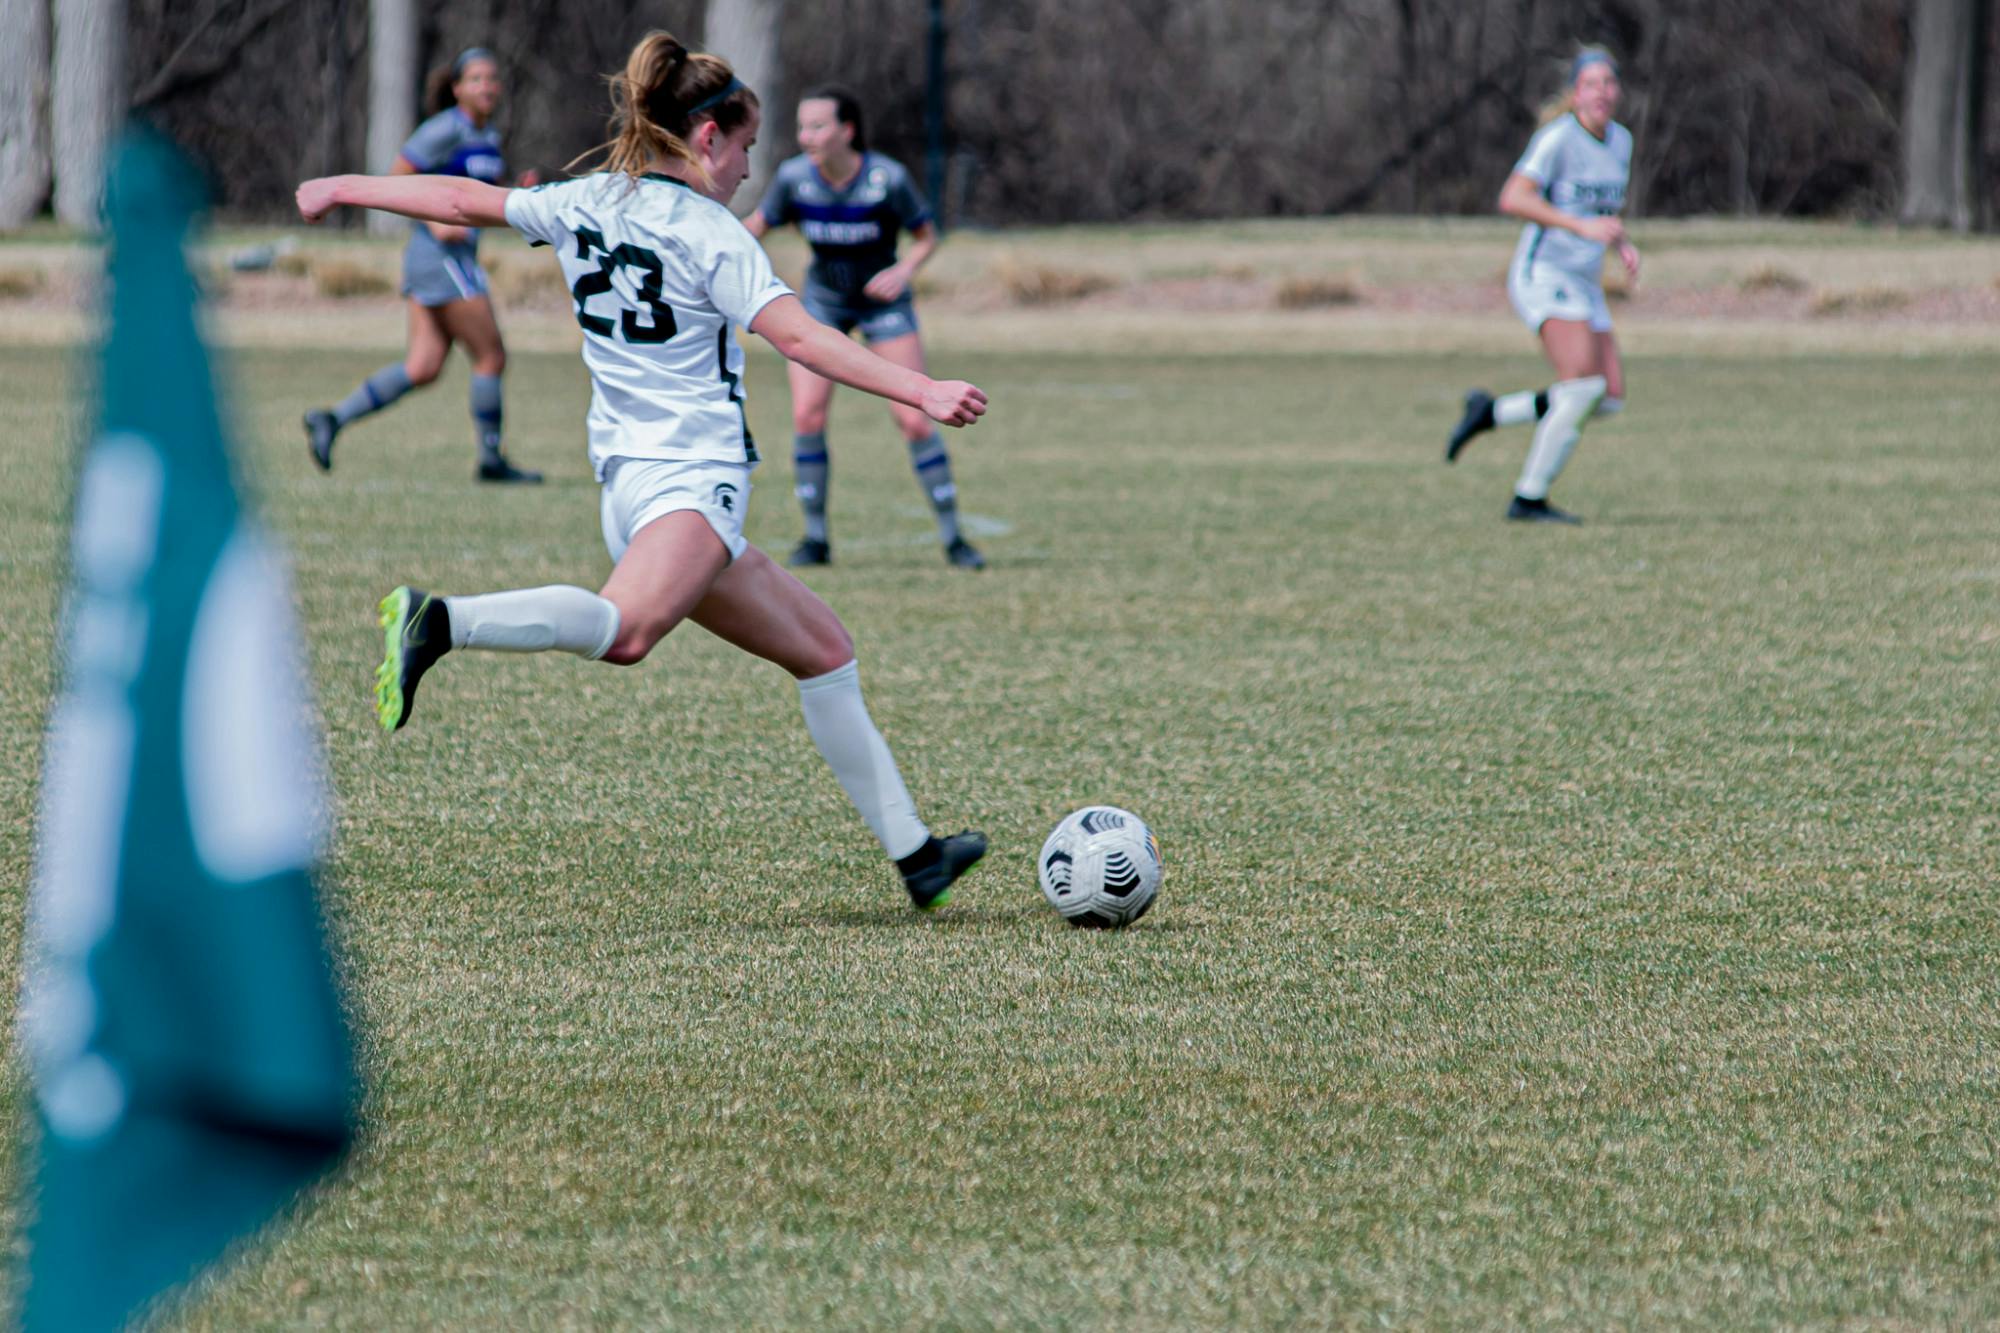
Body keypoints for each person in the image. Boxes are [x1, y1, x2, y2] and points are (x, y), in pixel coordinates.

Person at [294, 32, 990, 909]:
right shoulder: (713, 234)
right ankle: (442, 620)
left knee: (824, 650)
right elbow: (803, 338)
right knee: (626, 634)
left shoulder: (589, 199)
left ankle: (917, 854)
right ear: (704, 138)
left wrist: (341, 187)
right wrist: (920, 387)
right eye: (742, 148)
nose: (746, 168)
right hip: (689, 486)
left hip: (634, 488)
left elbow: (462, 198)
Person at [743, 86, 983, 569]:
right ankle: (815, 539)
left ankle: (955, 537)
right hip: (823, 305)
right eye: (802, 126)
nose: (806, 136)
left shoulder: (886, 178)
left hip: (882, 309)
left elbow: (926, 236)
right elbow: (753, 229)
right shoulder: (793, 179)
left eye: (818, 126)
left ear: (846, 131)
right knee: (808, 416)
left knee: (915, 416)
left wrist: (903, 271)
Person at [303, 47, 542, 483]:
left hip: (449, 260)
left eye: (491, 78)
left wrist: (518, 194)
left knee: (423, 366)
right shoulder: (443, 129)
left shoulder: (486, 135)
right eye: (476, 79)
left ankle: (332, 419)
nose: (486, 86)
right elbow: (396, 178)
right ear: (456, 88)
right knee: (491, 355)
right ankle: (491, 462)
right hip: (441, 260)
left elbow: (476, 192)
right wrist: (434, 223)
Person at [1444, 46, 1639, 524]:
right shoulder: (1557, 139)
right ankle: (1528, 498)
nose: (1601, 92)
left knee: (1607, 397)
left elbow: (1599, 211)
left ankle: (1489, 413)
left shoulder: (1622, 142)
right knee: (1582, 387)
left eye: (1608, 83)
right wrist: (1578, 227)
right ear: (1576, 94)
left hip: (1584, 280)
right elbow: (1512, 198)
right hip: (1544, 273)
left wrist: (1621, 242)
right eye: (1591, 84)